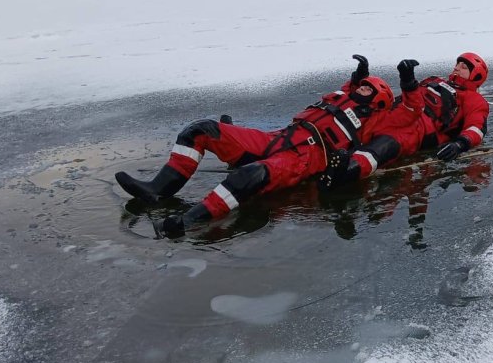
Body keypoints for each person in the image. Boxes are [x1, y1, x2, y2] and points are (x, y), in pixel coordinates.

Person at [115, 55, 393, 238]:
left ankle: (186, 222)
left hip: (305, 157)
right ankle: (157, 190)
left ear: (379, 98)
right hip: (279, 137)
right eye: (362, 85)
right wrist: (358, 76)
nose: (362, 89)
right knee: (200, 130)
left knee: (250, 176)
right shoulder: (343, 96)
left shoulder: (377, 120)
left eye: (369, 88)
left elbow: (400, 130)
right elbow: (348, 89)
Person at [319, 52, 490, 187]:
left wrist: (459, 144)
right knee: (352, 121)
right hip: (395, 112)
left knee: (384, 144)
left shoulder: (474, 100)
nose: (456, 68)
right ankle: (323, 157)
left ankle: (346, 172)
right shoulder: (433, 80)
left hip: (417, 128)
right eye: (457, 64)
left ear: (476, 75)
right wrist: (359, 78)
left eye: (464, 67)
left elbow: (476, 128)